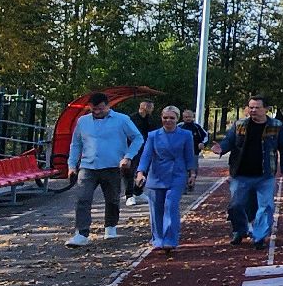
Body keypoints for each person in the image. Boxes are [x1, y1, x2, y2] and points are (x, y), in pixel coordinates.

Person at [205, 95, 283, 250]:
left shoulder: (276, 126)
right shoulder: (240, 125)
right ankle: (240, 229)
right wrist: (221, 148)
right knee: (236, 206)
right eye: (251, 107)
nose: (253, 110)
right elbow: (229, 141)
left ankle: (259, 236)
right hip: (241, 174)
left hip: (265, 174)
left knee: (265, 206)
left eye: (257, 107)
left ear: (266, 109)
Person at [65, 92, 143, 248]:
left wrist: (128, 156)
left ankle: (110, 227)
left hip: (113, 165)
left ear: (108, 106)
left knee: (112, 199)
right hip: (88, 166)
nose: (97, 112)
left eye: (100, 108)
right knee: (82, 198)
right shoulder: (83, 121)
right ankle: (81, 234)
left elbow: (138, 138)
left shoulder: (122, 120)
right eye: (93, 109)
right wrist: (72, 165)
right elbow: (76, 144)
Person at [134, 105, 197, 256]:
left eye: (171, 118)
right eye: (165, 118)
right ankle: (158, 239)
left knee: (171, 205)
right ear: (161, 118)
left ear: (177, 119)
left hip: (177, 174)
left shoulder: (186, 135)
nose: (168, 120)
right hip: (156, 175)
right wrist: (140, 172)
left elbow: (189, 155)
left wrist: (192, 173)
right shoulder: (153, 135)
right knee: (156, 208)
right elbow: (146, 156)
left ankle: (170, 239)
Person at [123, 99, 158, 206]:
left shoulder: (150, 119)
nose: (152, 110)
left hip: (146, 148)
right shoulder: (132, 119)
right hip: (132, 148)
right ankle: (129, 195)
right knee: (129, 171)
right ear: (144, 107)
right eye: (151, 107)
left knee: (144, 170)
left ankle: (138, 191)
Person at [178, 109, 209, 191]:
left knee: (193, 168)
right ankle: (183, 186)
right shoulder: (179, 127)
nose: (188, 119)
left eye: (190, 117)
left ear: (193, 117)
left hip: (194, 152)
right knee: (182, 169)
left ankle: (191, 183)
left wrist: (203, 143)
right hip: (181, 153)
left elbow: (205, 136)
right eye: (186, 117)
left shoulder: (197, 127)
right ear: (183, 118)